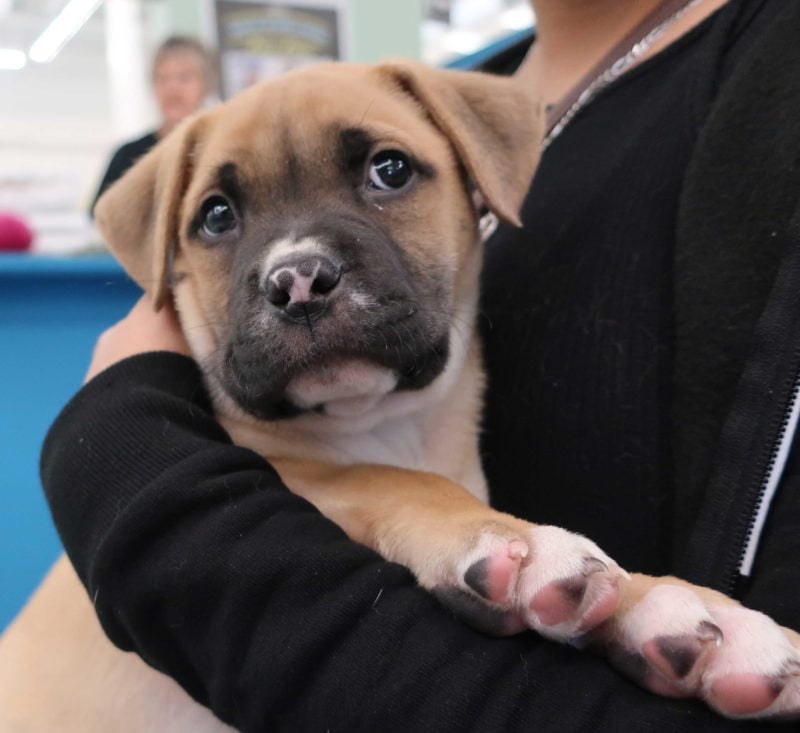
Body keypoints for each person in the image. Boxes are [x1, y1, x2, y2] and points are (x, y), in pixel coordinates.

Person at [41, 0, 800, 729]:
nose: (295, 272)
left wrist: (122, 462)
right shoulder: (486, 71)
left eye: (388, 172)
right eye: (219, 217)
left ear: (485, 186)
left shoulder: (763, 77)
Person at [90, 36, 215, 214]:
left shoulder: (222, 150)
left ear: (207, 84)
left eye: (184, 77)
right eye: (162, 78)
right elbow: (100, 217)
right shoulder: (127, 156)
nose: (172, 88)